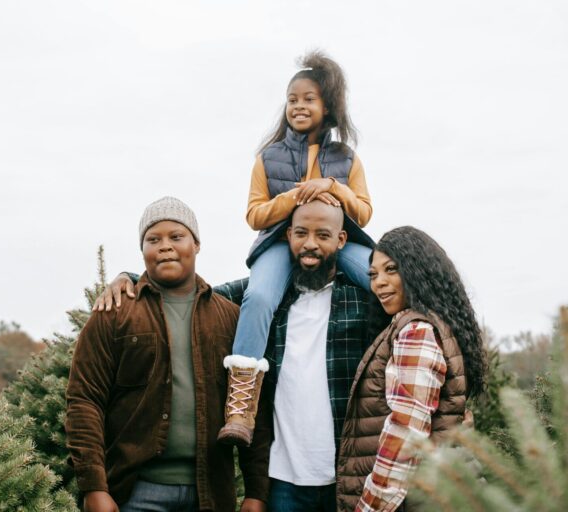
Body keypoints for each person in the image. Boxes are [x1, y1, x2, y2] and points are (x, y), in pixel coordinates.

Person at [94, 200, 374, 511]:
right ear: (287, 238)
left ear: (341, 240)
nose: (310, 244)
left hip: (347, 473)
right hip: (283, 479)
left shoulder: (362, 300)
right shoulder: (262, 296)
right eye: (300, 234)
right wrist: (130, 277)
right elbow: (192, 294)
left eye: (322, 235)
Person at [65, 197, 270, 512]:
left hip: (210, 493)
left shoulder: (230, 318)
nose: (165, 246)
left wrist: (257, 492)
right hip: (135, 493)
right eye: (153, 239)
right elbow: (84, 400)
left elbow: (253, 406)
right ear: (142, 249)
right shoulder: (114, 313)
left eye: (176, 236)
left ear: (196, 244)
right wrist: (94, 487)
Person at [219, 50, 374, 447]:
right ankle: (240, 407)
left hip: (334, 244)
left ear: (328, 106)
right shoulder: (267, 157)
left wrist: (333, 187)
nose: (299, 106)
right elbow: (255, 215)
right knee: (259, 297)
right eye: (293, 99)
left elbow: (365, 212)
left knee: (382, 277)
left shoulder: (346, 158)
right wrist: (293, 198)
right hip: (278, 242)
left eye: (309, 99)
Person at [336, 226, 488, 512]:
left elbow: (405, 435)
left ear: (417, 271)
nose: (379, 283)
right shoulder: (433, 323)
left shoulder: (415, 332)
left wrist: (371, 506)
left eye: (391, 269)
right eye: (373, 274)